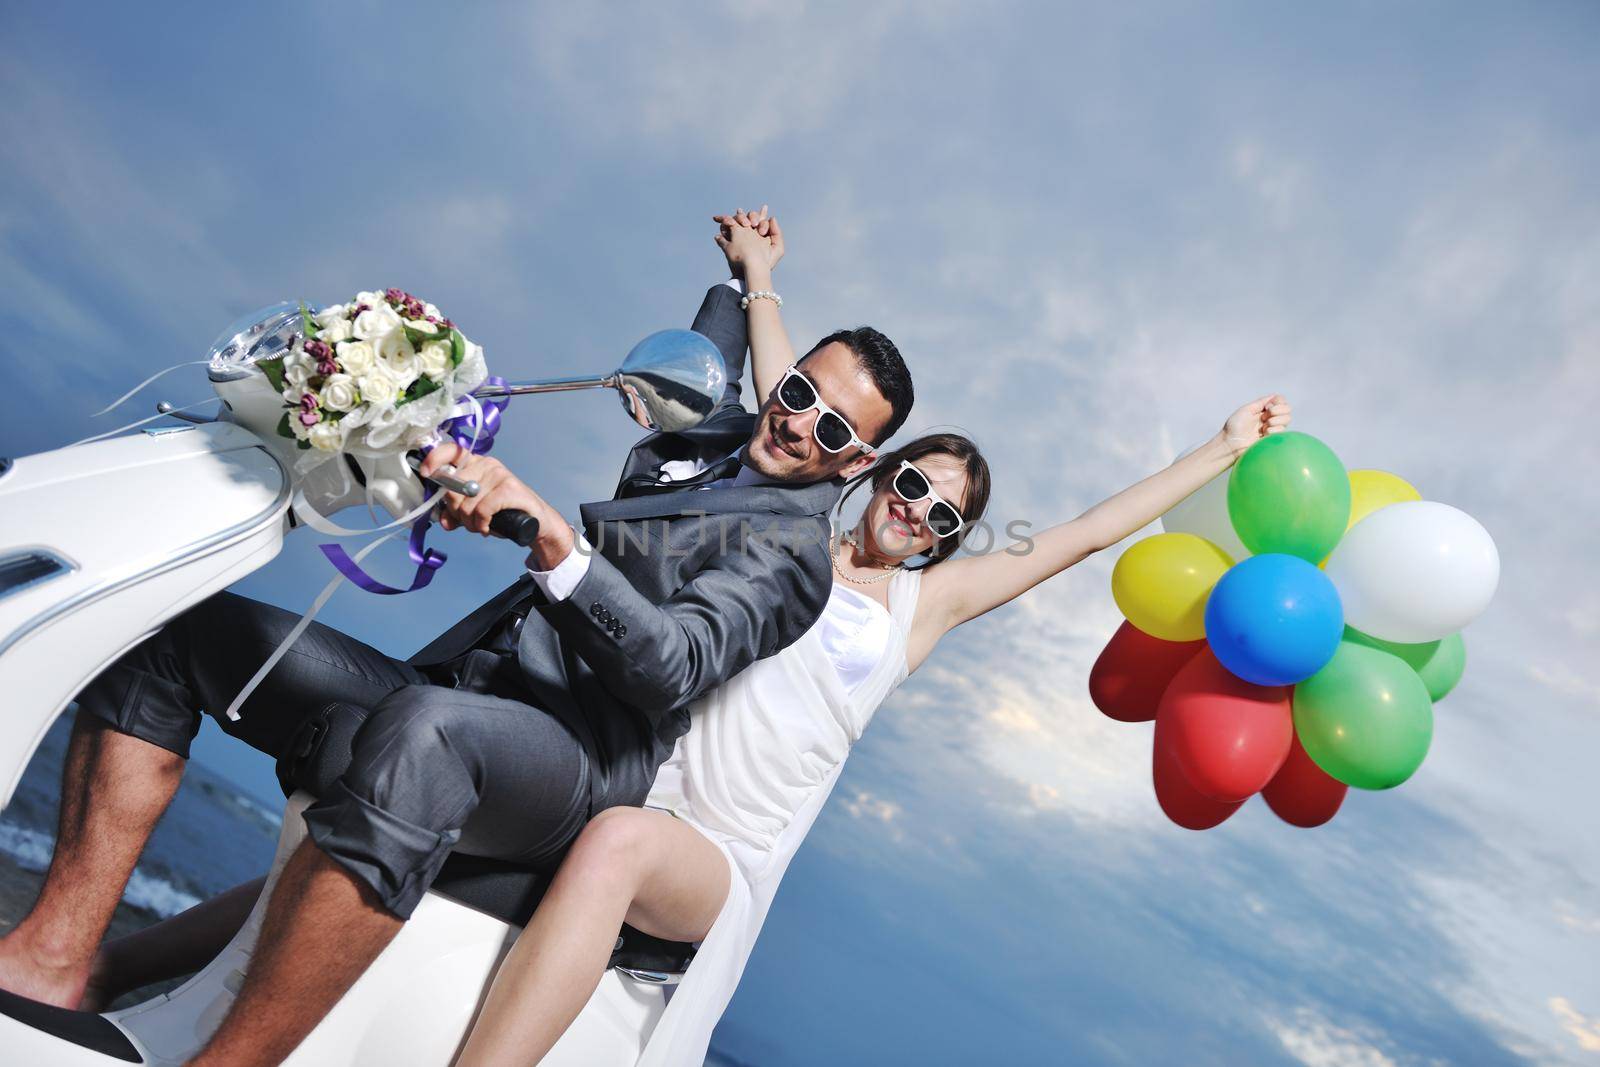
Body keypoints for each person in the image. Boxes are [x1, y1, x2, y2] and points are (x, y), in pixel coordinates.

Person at [0, 229, 916, 1067]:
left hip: (577, 759)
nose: (799, 422)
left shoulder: (792, 557)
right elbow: (701, 355)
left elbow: (673, 663)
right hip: (463, 684)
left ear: (854, 463)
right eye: (798, 391)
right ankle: (55, 959)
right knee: (193, 634)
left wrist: (557, 542)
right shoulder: (716, 425)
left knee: (430, 734)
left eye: (833, 428)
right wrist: (744, 268)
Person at [446, 209, 1295, 1065]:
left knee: (616, 844)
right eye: (915, 483)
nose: (917, 511)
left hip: (719, 854)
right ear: (873, 466)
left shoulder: (921, 608)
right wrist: (758, 270)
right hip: (637, 775)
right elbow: (796, 388)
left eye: (942, 516)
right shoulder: (783, 531)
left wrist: (1220, 447)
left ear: (942, 539)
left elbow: (1085, 532)